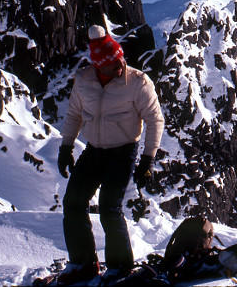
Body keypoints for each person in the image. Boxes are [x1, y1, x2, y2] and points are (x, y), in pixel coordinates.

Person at [56, 25, 164, 285]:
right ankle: (83, 264)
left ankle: (120, 268)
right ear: (98, 67)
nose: (119, 67)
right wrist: (65, 148)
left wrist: (147, 159)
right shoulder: (84, 81)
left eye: (120, 60)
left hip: (124, 151)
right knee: (73, 202)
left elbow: (155, 120)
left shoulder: (137, 82)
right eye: (112, 65)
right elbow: (73, 115)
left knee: (109, 207)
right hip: (94, 150)